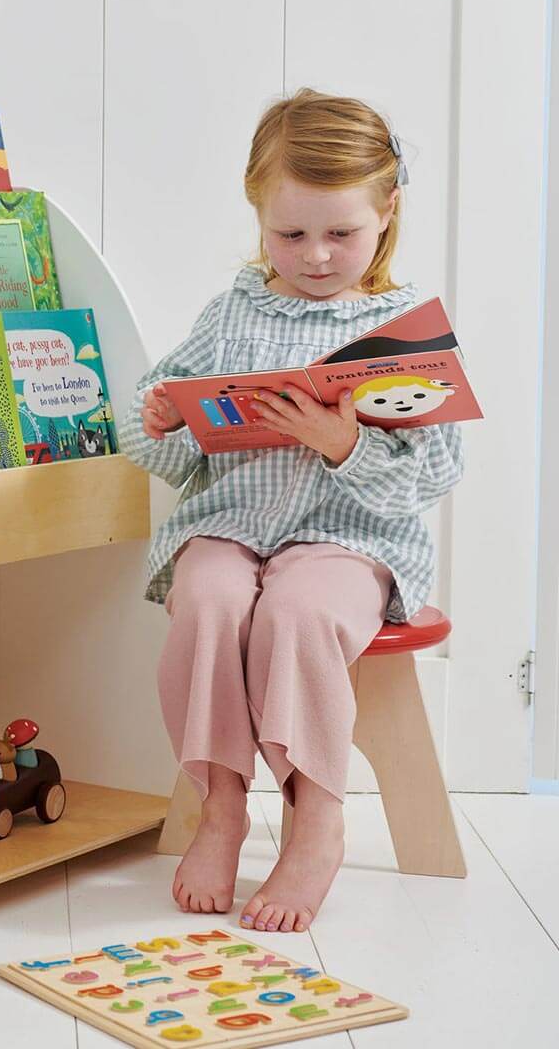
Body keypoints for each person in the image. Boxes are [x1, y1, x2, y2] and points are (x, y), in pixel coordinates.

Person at [120, 88, 463, 934]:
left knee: (300, 613)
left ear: (388, 211)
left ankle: (315, 817)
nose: (314, 256)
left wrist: (343, 444)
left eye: (340, 232)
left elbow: (436, 472)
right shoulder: (235, 310)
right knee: (208, 602)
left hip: (351, 540)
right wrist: (161, 420)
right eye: (290, 233)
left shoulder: (404, 330)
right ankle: (224, 804)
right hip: (233, 525)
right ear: (258, 217)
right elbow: (165, 441)